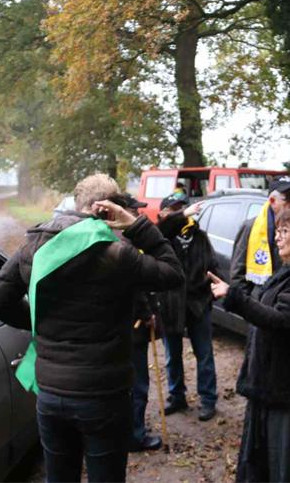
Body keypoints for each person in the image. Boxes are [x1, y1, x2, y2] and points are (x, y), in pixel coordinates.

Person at [0, 174, 184, 483]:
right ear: (109, 209)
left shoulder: (35, 245)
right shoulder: (117, 252)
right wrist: (135, 225)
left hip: (50, 392)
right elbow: (173, 273)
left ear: (78, 203)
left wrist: (40, 321)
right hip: (104, 395)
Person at [209, 206, 290, 482]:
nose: (277, 237)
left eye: (285, 231)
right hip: (272, 385)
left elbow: (280, 319)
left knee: (289, 468)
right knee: (263, 465)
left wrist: (235, 297)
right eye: (278, 230)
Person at [107, 193, 164, 452]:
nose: (139, 214)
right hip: (132, 326)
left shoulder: (107, 237)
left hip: (115, 326)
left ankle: (125, 431)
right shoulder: (125, 241)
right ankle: (135, 435)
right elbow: (136, 286)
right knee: (137, 383)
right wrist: (147, 314)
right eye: (134, 210)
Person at [157, 192, 220, 422]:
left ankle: (208, 399)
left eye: (183, 207)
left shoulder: (200, 237)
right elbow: (162, 229)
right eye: (174, 209)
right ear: (164, 213)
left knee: (204, 354)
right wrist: (181, 214)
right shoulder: (161, 236)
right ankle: (177, 396)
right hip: (171, 305)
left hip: (198, 304)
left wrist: (208, 292)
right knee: (172, 355)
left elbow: (213, 266)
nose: (182, 213)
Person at [230, 176, 290, 296]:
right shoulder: (251, 227)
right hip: (260, 301)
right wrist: (246, 303)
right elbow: (238, 275)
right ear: (272, 201)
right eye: (288, 199)